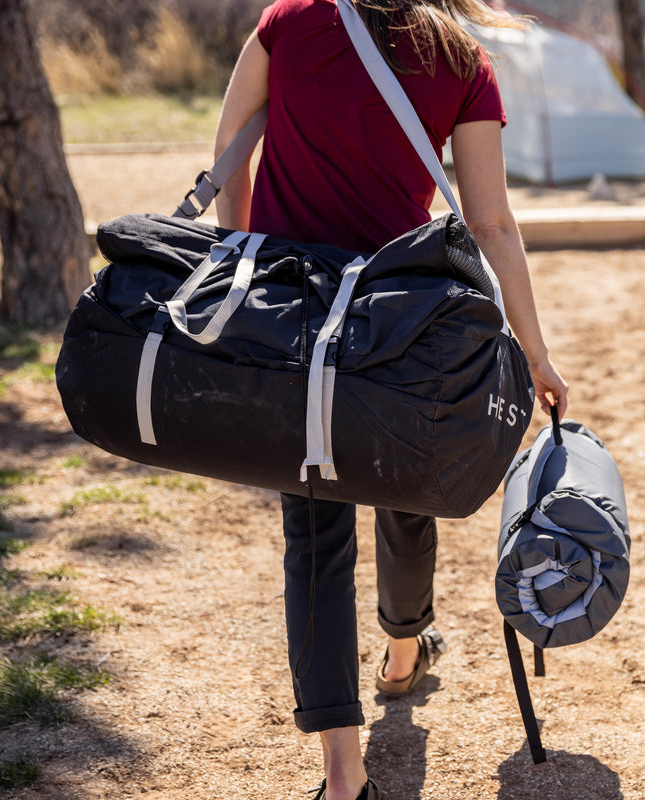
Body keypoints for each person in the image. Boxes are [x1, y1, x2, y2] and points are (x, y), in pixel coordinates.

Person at [212, 1, 568, 798]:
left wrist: (238, 265)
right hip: (397, 320)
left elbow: (230, 152)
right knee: (404, 489)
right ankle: (404, 652)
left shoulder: (287, 21)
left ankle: (344, 773)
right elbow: (492, 223)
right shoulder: (463, 61)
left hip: (288, 318)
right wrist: (535, 351)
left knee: (313, 536)